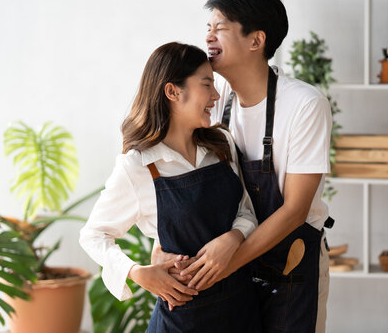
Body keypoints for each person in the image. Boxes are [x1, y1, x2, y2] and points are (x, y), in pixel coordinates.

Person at [154, 0, 333, 333]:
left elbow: (295, 210)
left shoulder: (305, 105)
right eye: (207, 28)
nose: (208, 37)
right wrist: (161, 251)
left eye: (220, 27)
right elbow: (178, 174)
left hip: (290, 263)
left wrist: (228, 259)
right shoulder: (212, 101)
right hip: (227, 269)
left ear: (256, 40)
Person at [79, 42, 261, 333]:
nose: (216, 96)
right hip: (184, 320)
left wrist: (234, 237)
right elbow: (93, 235)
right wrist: (136, 273)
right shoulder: (138, 167)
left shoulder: (221, 144)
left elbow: (247, 211)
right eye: (207, 85)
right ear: (173, 92)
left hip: (242, 310)